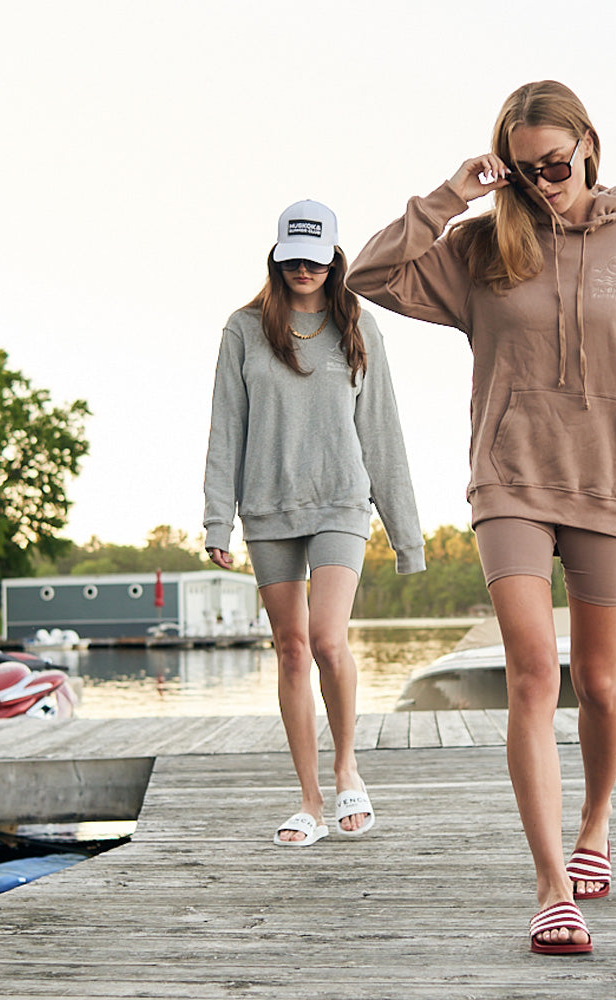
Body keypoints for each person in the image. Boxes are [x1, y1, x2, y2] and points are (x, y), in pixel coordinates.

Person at [347, 81, 616, 954]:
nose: (546, 181)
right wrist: (453, 195)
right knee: (534, 675)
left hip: (609, 485)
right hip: (509, 481)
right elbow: (371, 274)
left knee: (601, 684)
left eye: (557, 162)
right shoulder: (479, 246)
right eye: (526, 167)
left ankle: (596, 825)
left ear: (589, 145)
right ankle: (550, 887)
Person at [204, 199, 425, 847]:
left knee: (328, 640)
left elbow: (383, 435)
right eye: (292, 257)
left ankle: (346, 768)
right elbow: (226, 429)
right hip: (268, 508)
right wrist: (218, 519)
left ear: (335, 258)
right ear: (276, 257)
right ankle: (308, 800)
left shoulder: (359, 326)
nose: (304, 268)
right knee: (292, 649)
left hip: (339, 502)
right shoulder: (243, 329)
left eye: (316, 257)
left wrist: (405, 536)